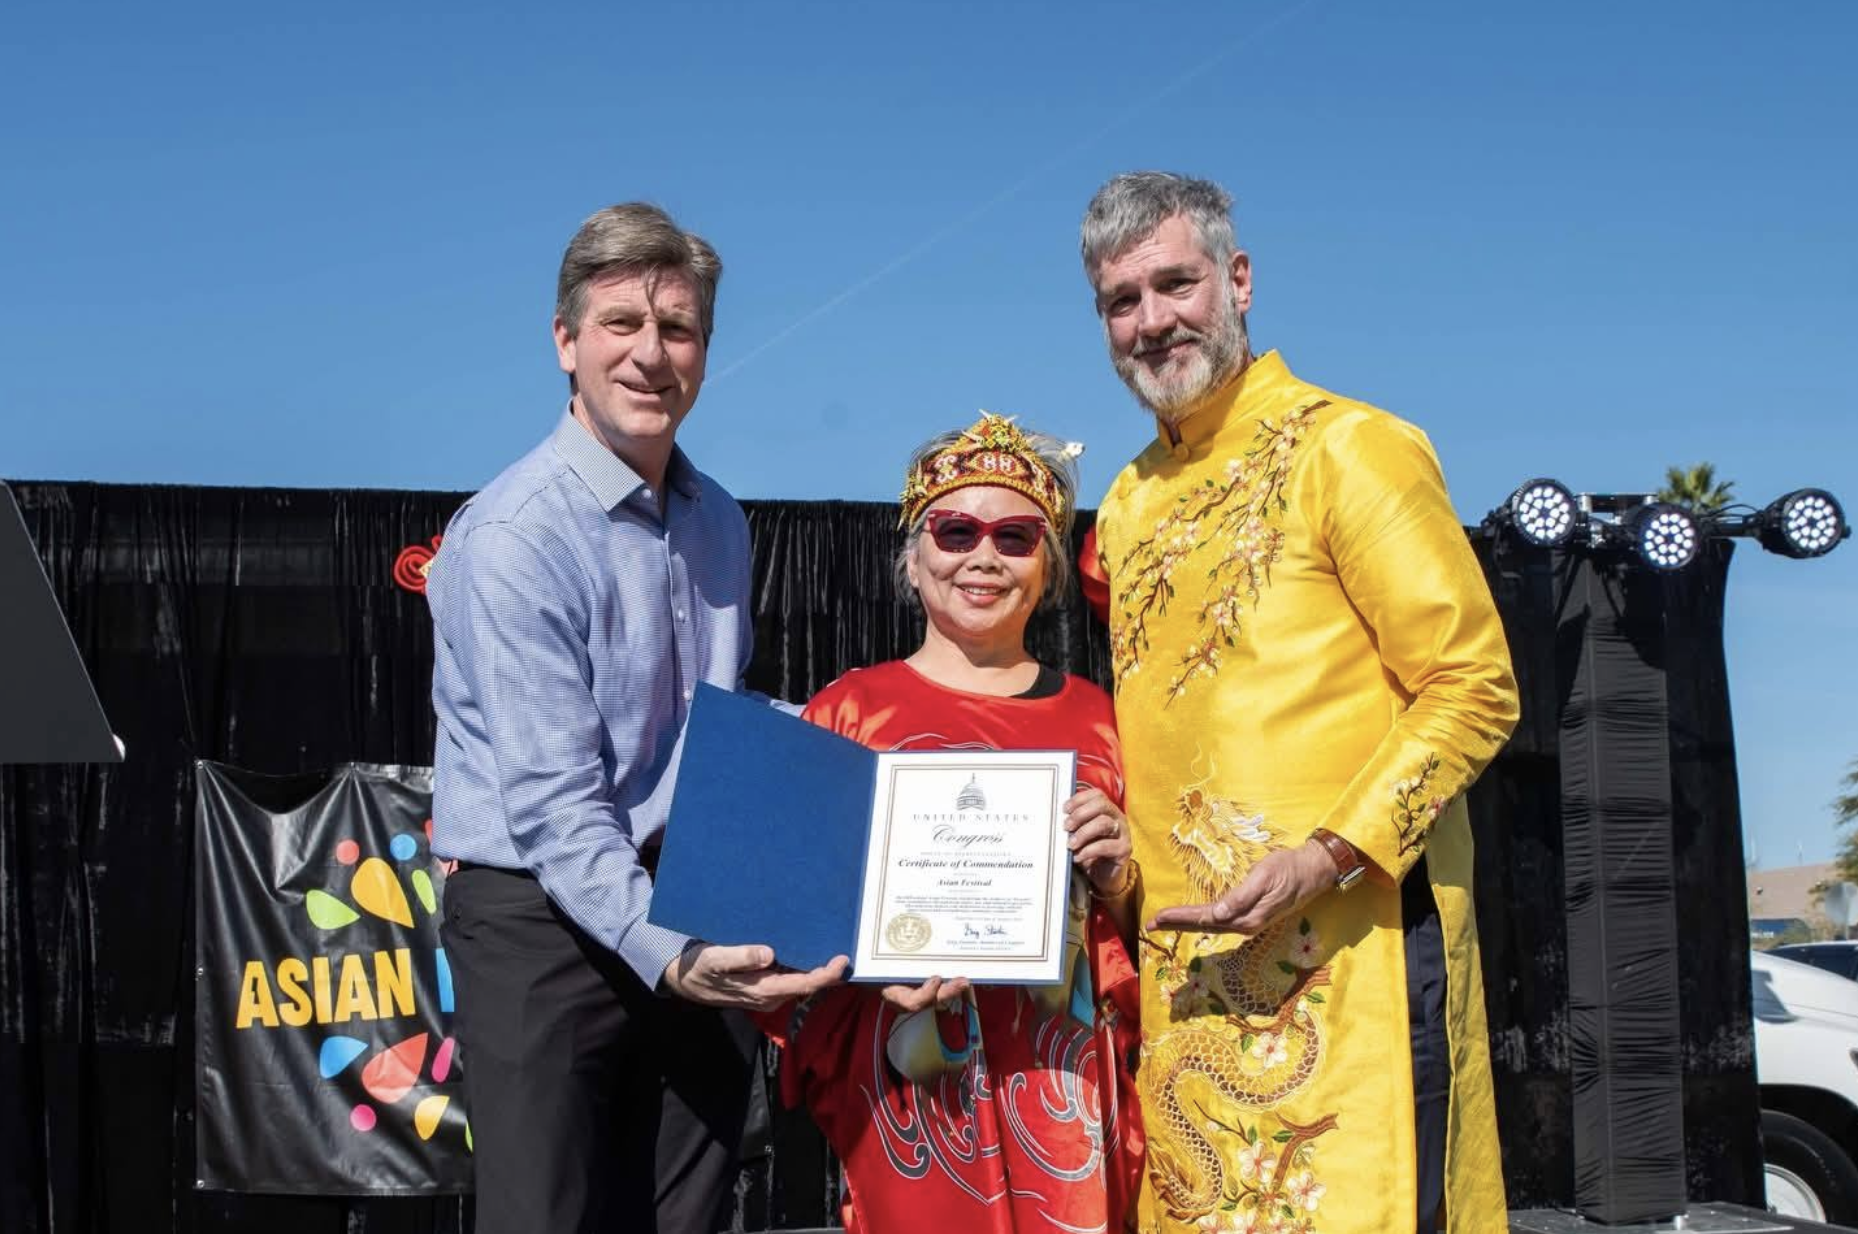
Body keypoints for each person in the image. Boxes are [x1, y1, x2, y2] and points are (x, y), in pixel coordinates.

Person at [1077, 172, 1520, 1234]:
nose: (1151, 321)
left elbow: (1474, 686)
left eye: (1174, 284)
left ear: (1238, 280)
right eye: (1120, 302)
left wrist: (1323, 856)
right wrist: (1120, 876)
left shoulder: (1349, 447)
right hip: (1192, 990)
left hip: (1353, 961)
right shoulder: (1129, 504)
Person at [428, 202, 844, 1234]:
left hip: (689, 893)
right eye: (621, 324)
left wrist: (856, 729)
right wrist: (671, 954)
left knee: (680, 1217)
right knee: (547, 1219)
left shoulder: (721, 521)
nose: (651, 354)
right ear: (565, 342)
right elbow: (556, 805)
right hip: (537, 918)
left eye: (679, 328)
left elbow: (709, 721)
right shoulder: (514, 536)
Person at [764, 413, 1146, 1234]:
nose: (983, 556)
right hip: (908, 1087)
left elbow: (1159, 932)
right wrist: (868, 969)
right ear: (913, 552)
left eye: (1014, 536)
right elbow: (779, 927)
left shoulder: (1106, 720)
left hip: (1062, 1091)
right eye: (955, 529)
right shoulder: (846, 712)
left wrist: (1123, 874)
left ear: (1046, 566)